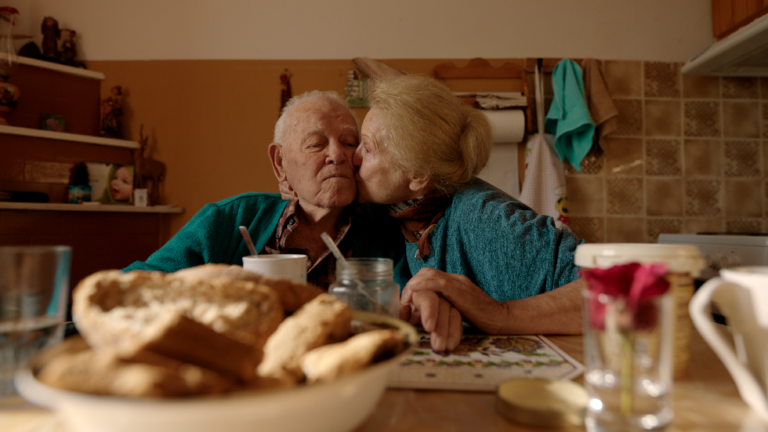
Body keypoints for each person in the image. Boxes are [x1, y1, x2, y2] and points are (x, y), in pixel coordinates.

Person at [124, 91, 421, 306]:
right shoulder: (229, 220)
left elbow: (413, 297)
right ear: (280, 163)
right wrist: (206, 290)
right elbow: (131, 284)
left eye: (349, 143)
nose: (337, 155)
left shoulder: (387, 226)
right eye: (316, 144)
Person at [352, 75, 585, 346]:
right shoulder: (411, 217)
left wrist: (501, 314)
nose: (353, 157)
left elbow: (619, 285)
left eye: (367, 148)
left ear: (418, 175)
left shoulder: (482, 218)